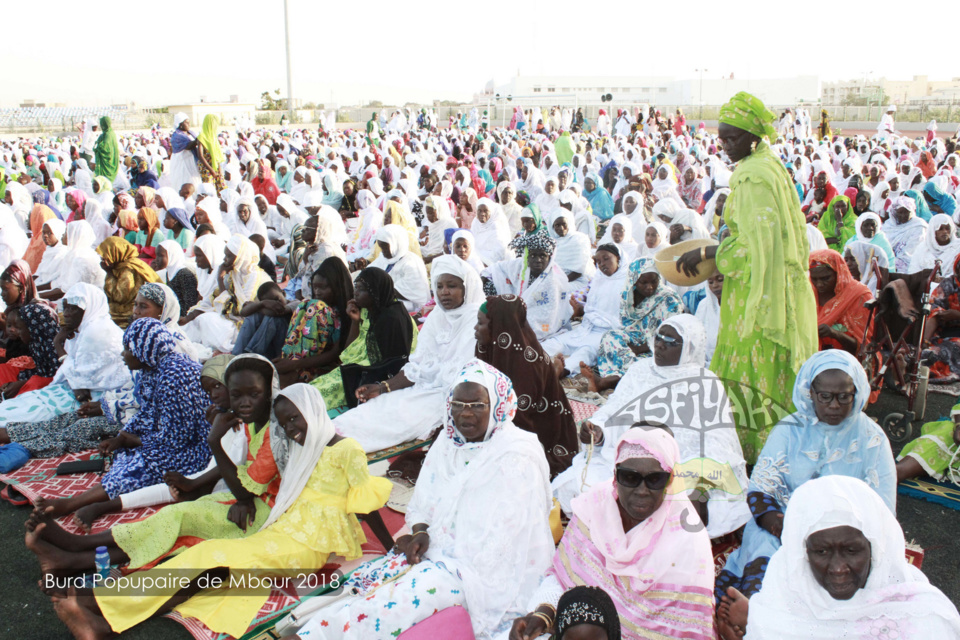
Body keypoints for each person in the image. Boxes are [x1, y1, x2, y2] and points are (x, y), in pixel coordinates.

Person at [45, 383, 392, 639]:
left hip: (308, 545)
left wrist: (391, 548)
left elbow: (368, 503)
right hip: (281, 530)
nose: (291, 429)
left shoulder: (347, 449)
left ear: (313, 411)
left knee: (215, 560)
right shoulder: (303, 448)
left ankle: (100, 607)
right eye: (285, 423)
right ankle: (103, 611)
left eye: (295, 419)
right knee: (209, 562)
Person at [295, 360, 554, 639]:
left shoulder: (517, 454)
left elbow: (504, 544)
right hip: (439, 553)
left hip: (478, 573)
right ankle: (314, 629)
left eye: (477, 405)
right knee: (368, 585)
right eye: (458, 404)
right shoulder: (449, 442)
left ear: (497, 406)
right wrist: (420, 532)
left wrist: (442, 560)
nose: (465, 414)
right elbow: (425, 499)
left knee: (395, 604)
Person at [675, 92, 818, 464]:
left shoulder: (752, 177)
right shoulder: (768, 165)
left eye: (732, 138)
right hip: (777, 290)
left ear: (754, 136)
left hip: (760, 297)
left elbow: (757, 251)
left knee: (756, 373)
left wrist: (708, 253)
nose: (724, 145)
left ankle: (754, 458)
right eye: (721, 137)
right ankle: (776, 455)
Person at [715, 350, 896, 602]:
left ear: (858, 394)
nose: (834, 405)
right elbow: (760, 491)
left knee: (851, 573)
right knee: (766, 558)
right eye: (825, 396)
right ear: (810, 393)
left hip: (846, 534)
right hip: (784, 525)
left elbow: (882, 507)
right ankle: (754, 612)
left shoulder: (872, 438)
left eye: (844, 396)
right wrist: (787, 528)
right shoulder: (790, 430)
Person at [511, 427, 716, 640]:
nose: (642, 490)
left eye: (655, 479)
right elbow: (562, 577)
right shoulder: (594, 509)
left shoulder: (688, 541)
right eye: (630, 477)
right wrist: (544, 613)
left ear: (670, 481)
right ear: (615, 476)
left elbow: (689, 630)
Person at [554, 315, 750, 533]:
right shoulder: (641, 370)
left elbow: (718, 442)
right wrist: (599, 431)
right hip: (630, 461)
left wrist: (700, 489)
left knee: (706, 510)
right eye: (659, 337)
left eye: (671, 342)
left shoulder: (705, 383)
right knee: (577, 485)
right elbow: (614, 411)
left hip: (682, 470)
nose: (660, 345)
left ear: (690, 348)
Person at [718, 476, 960, 640]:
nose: (838, 568)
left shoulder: (924, 615)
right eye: (821, 552)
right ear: (803, 553)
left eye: (851, 551)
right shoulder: (785, 583)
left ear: (875, 548)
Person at [32, 318, 212, 520]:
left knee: (148, 460)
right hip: (175, 439)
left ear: (144, 348)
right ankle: (102, 494)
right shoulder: (152, 369)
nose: (123, 354)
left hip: (198, 449)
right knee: (128, 451)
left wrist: (134, 440)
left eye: (128, 348)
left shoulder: (175, 377)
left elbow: (177, 439)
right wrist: (122, 437)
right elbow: (147, 413)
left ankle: (74, 503)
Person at [333, 255, 483, 452]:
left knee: (398, 417)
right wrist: (384, 387)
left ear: (467, 287)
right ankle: (328, 434)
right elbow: (417, 367)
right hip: (420, 390)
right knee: (378, 405)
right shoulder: (436, 317)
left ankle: (341, 447)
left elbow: (461, 379)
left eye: (452, 286)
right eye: (439, 286)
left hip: (450, 398)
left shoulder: (477, 321)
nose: (444, 292)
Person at [0, 283, 130, 434]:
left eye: (73, 308)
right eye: (66, 307)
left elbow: (82, 390)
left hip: (97, 397)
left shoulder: (96, 332)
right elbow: (73, 376)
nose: (66, 313)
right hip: (73, 390)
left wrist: (57, 345)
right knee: (21, 404)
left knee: (25, 413)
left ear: (88, 309)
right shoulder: (82, 330)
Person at [476, 295, 578, 477]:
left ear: (499, 328)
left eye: (480, 324)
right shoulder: (488, 348)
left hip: (532, 432)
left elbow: (519, 419)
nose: (475, 329)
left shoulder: (526, 365)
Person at [591, 257, 683, 388]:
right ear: (633, 280)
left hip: (659, 347)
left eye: (654, 281)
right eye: (643, 282)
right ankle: (624, 376)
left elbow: (672, 337)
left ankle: (614, 379)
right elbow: (628, 327)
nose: (649, 287)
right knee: (610, 337)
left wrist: (639, 349)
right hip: (635, 341)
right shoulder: (628, 295)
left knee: (651, 364)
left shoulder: (668, 300)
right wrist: (630, 346)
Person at [544, 244, 627, 376]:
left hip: (608, 332)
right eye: (598, 262)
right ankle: (531, 360)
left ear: (618, 258)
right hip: (586, 327)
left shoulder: (628, 282)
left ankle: (562, 370)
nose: (602, 264)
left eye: (606, 259)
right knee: (556, 342)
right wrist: (581, 309)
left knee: (586, 351)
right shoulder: (598, 279)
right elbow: (591, 306)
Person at [182, 234, 271, 353]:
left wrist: (220, 279)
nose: (224, 260)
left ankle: (224, 350)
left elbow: (238, 310)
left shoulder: (255, 277)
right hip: (230, 318)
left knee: (207, 320)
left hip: (245, 324)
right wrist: (189, 317)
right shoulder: (233, 274)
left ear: (241, 257)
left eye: (228, 256)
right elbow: (212, 300)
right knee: (194, 323)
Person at [274, 257, 353, 385]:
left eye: (323, 288)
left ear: (337, 287)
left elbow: (335, 354)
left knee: (316, 307)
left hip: (327, 364)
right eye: (315, 287)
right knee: (303, 304)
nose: (317, 292)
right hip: (304, 361)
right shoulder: (311, 306)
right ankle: (289, 358)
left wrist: (294, 364)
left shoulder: (347, 311)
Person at [484, 233, 571, 341]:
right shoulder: (521, 265)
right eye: (533, 255)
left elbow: (546, 316)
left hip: (538, 323)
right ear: (527, 257)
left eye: (542, 256)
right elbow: (495, 269)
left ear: (549, 258)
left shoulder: (554, 280)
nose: (538, 260)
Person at [808, 249, 873, 354]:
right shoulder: (809, 295)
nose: (819, 284)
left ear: (839, 273)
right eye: (814, 279)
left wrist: (835, 334)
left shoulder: (859, 296)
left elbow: (866, 347)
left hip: (848, 360)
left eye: (825, 278)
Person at [95, 237, 162, 328]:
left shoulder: (127, 269)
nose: (103, 260)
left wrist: (109, 273)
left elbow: (120, 297)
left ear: (115, 252)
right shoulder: (120, 266)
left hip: (131, 311)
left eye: (106, 256)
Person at [368, 224, 430, 313]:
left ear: (396, 244)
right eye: (381, 247)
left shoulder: (412, 263)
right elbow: (369, 273)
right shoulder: (384, 258)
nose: (383, 251)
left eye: (385, 248)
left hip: (409, 306)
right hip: (386, 298)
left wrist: (376, 289)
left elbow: (408, 293)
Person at [883, 196, 928, 273]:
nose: (903, 215)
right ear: (894, 213)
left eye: (906, 212)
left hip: (909, 264)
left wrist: (895, 262)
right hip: (888, 262)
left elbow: (911, 252)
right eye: (900, 212)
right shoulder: (888, 226)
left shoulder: (918, 225)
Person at [93, 116, 120, 183]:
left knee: (105, 181)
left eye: (102, 124)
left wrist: (98, 146)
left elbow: (106, 148)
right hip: (107, 161)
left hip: (107, 163)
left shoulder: (109, 134)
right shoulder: (107, 133)